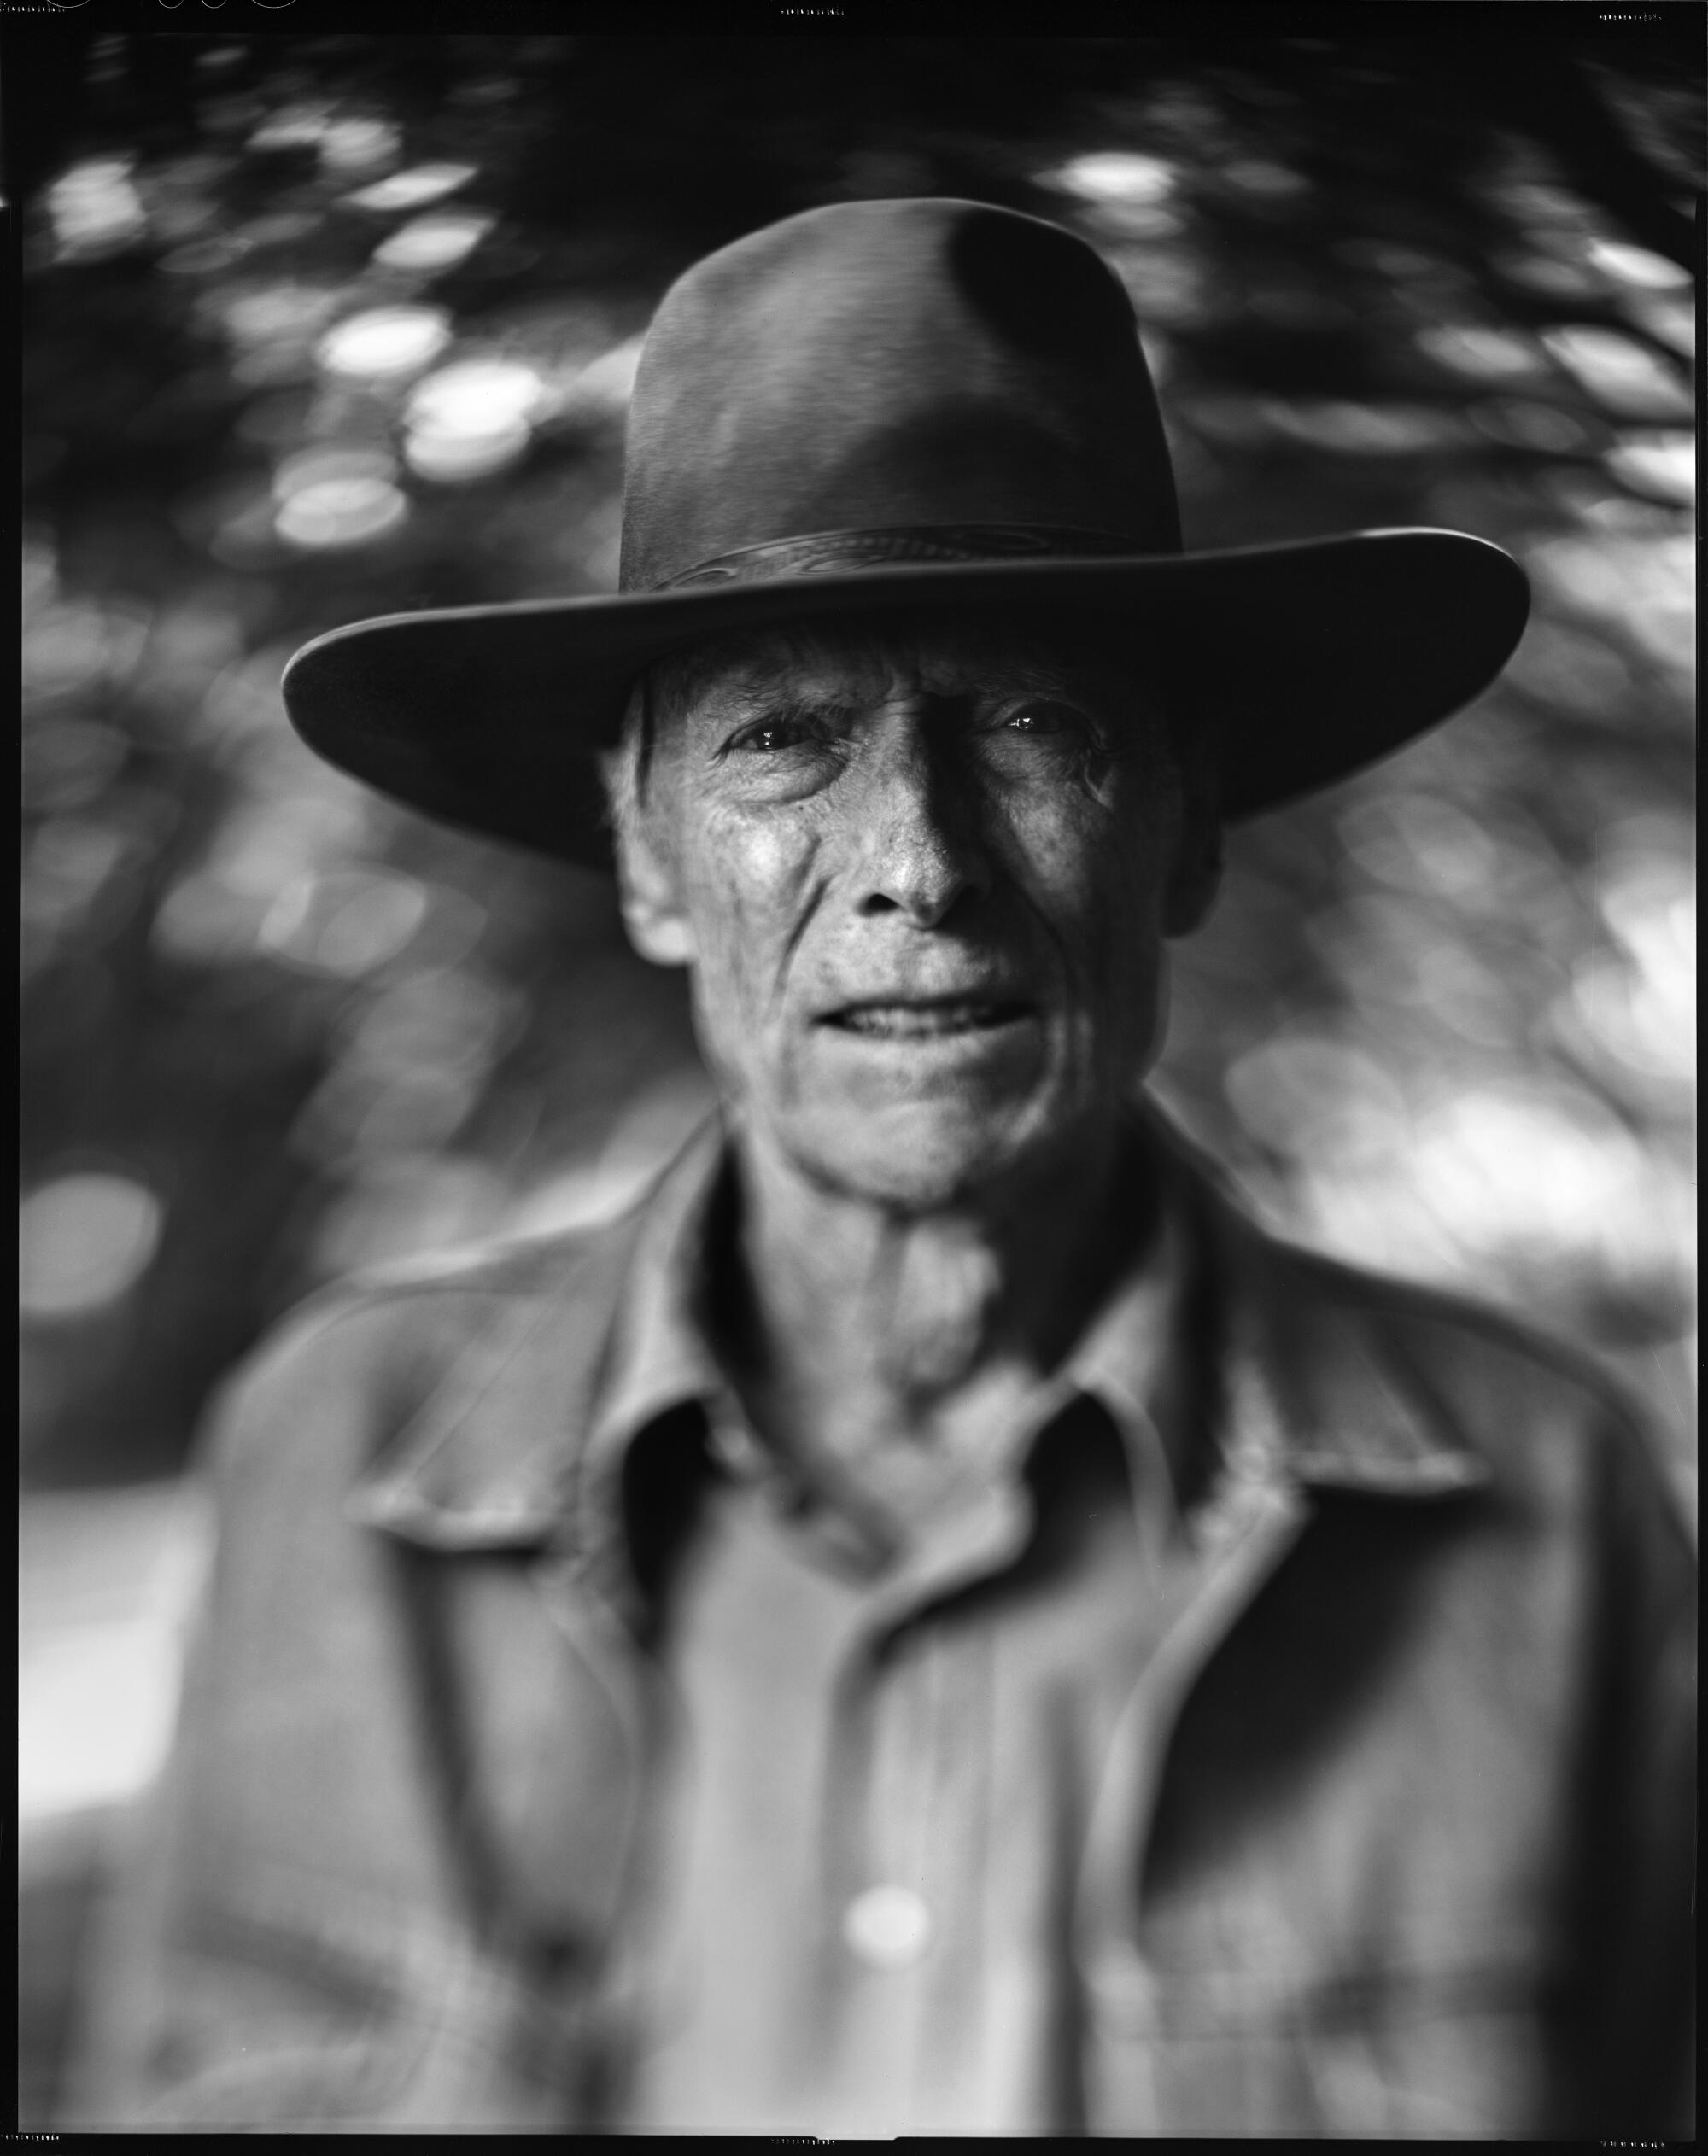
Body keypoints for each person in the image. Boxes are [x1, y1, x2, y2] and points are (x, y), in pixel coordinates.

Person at [85, 198, 1692, 2137]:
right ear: (649, 857)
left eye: (1030, 727)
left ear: (1181, 832)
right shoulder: (338, 1457)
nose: (917, 863)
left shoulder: (1544, 1500)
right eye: (782, 741)